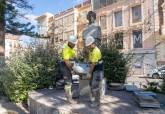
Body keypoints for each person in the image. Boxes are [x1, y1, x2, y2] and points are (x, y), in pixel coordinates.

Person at [85, 36, 104, 107]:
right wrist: (88, 63)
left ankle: (97, 101)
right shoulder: (91, 50)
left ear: (93, 44)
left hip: (98, 70)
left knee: (94, 85)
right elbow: (91, 61)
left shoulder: (96, 51)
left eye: (89, 46)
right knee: (91, 84)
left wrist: (89, 73)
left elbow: (93, 64)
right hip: (95, 69)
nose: (88, 47)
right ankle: (94, 98)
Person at [60, 35, 77, 103]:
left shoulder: (71, 48)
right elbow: (66, 61)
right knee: (68, 82)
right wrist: (72, 69)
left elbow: (73, 57)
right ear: (70, 42)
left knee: (70, 81)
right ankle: (69, 99)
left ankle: (70, 95)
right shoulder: (66, 48)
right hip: (65, 65)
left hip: (69, 65)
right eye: (74, 43)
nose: (75, 44)